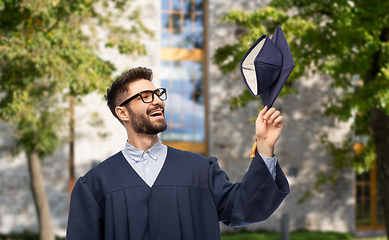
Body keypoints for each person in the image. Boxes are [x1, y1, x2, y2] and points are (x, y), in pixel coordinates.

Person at [66, 67, 290, 240]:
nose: (156, 100)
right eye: (145, 96)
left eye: (157, 93)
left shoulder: (200, 170)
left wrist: (264, 146)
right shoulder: (95, 184)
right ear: (122, 112)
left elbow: (246, 207)